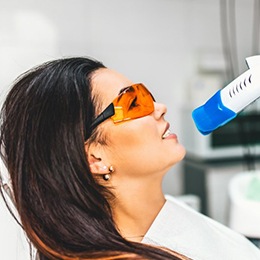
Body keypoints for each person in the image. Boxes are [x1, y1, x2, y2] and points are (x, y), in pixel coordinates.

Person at [0, 56, 259, 260]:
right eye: (134, 102)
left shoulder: (166, 215)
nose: (160, 108)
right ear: (94, 158)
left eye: (147, 95)